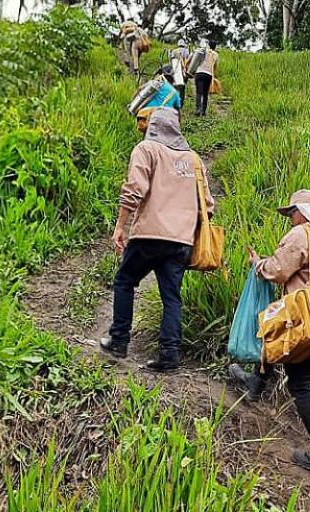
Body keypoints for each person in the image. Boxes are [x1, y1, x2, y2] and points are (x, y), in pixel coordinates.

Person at [229, 190, 310, 473]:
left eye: (293, 212)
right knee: (277, 339)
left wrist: (259, 265)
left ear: (304, 212)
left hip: (308, 315)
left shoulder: (301, 233)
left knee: (300, 384)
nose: (291, 218)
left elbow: (279, 270)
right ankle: (255, 385)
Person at [101, 107, 215, 372]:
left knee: (125, 280)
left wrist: (121, 226)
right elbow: (207, 206)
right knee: (172, 297)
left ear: (153, 126)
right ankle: (169, 355)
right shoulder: (194, 159)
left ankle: (119, 340)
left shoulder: (147, 149)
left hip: (149, 235)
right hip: (181, 242)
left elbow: (134, 189)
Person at [193, 40, 218, 116]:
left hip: (199, 73)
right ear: (215, 47)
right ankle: (203, 111)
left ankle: (198, 109)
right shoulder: (216, 55)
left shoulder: (203, 51)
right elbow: (214, 66)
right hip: (208, 75)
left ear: (209, 45)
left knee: (198, 92)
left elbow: (197, 61)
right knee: (205, 93)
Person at [169, 39, 190, 106]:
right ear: (184, 45)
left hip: (176, 71)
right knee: (182, 87)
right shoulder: (186, 51)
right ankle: (181, 100)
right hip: (183, 70)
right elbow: (187, 61)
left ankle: (174, 100)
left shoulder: (174, 51)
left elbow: (171, 61)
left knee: (174, 85)